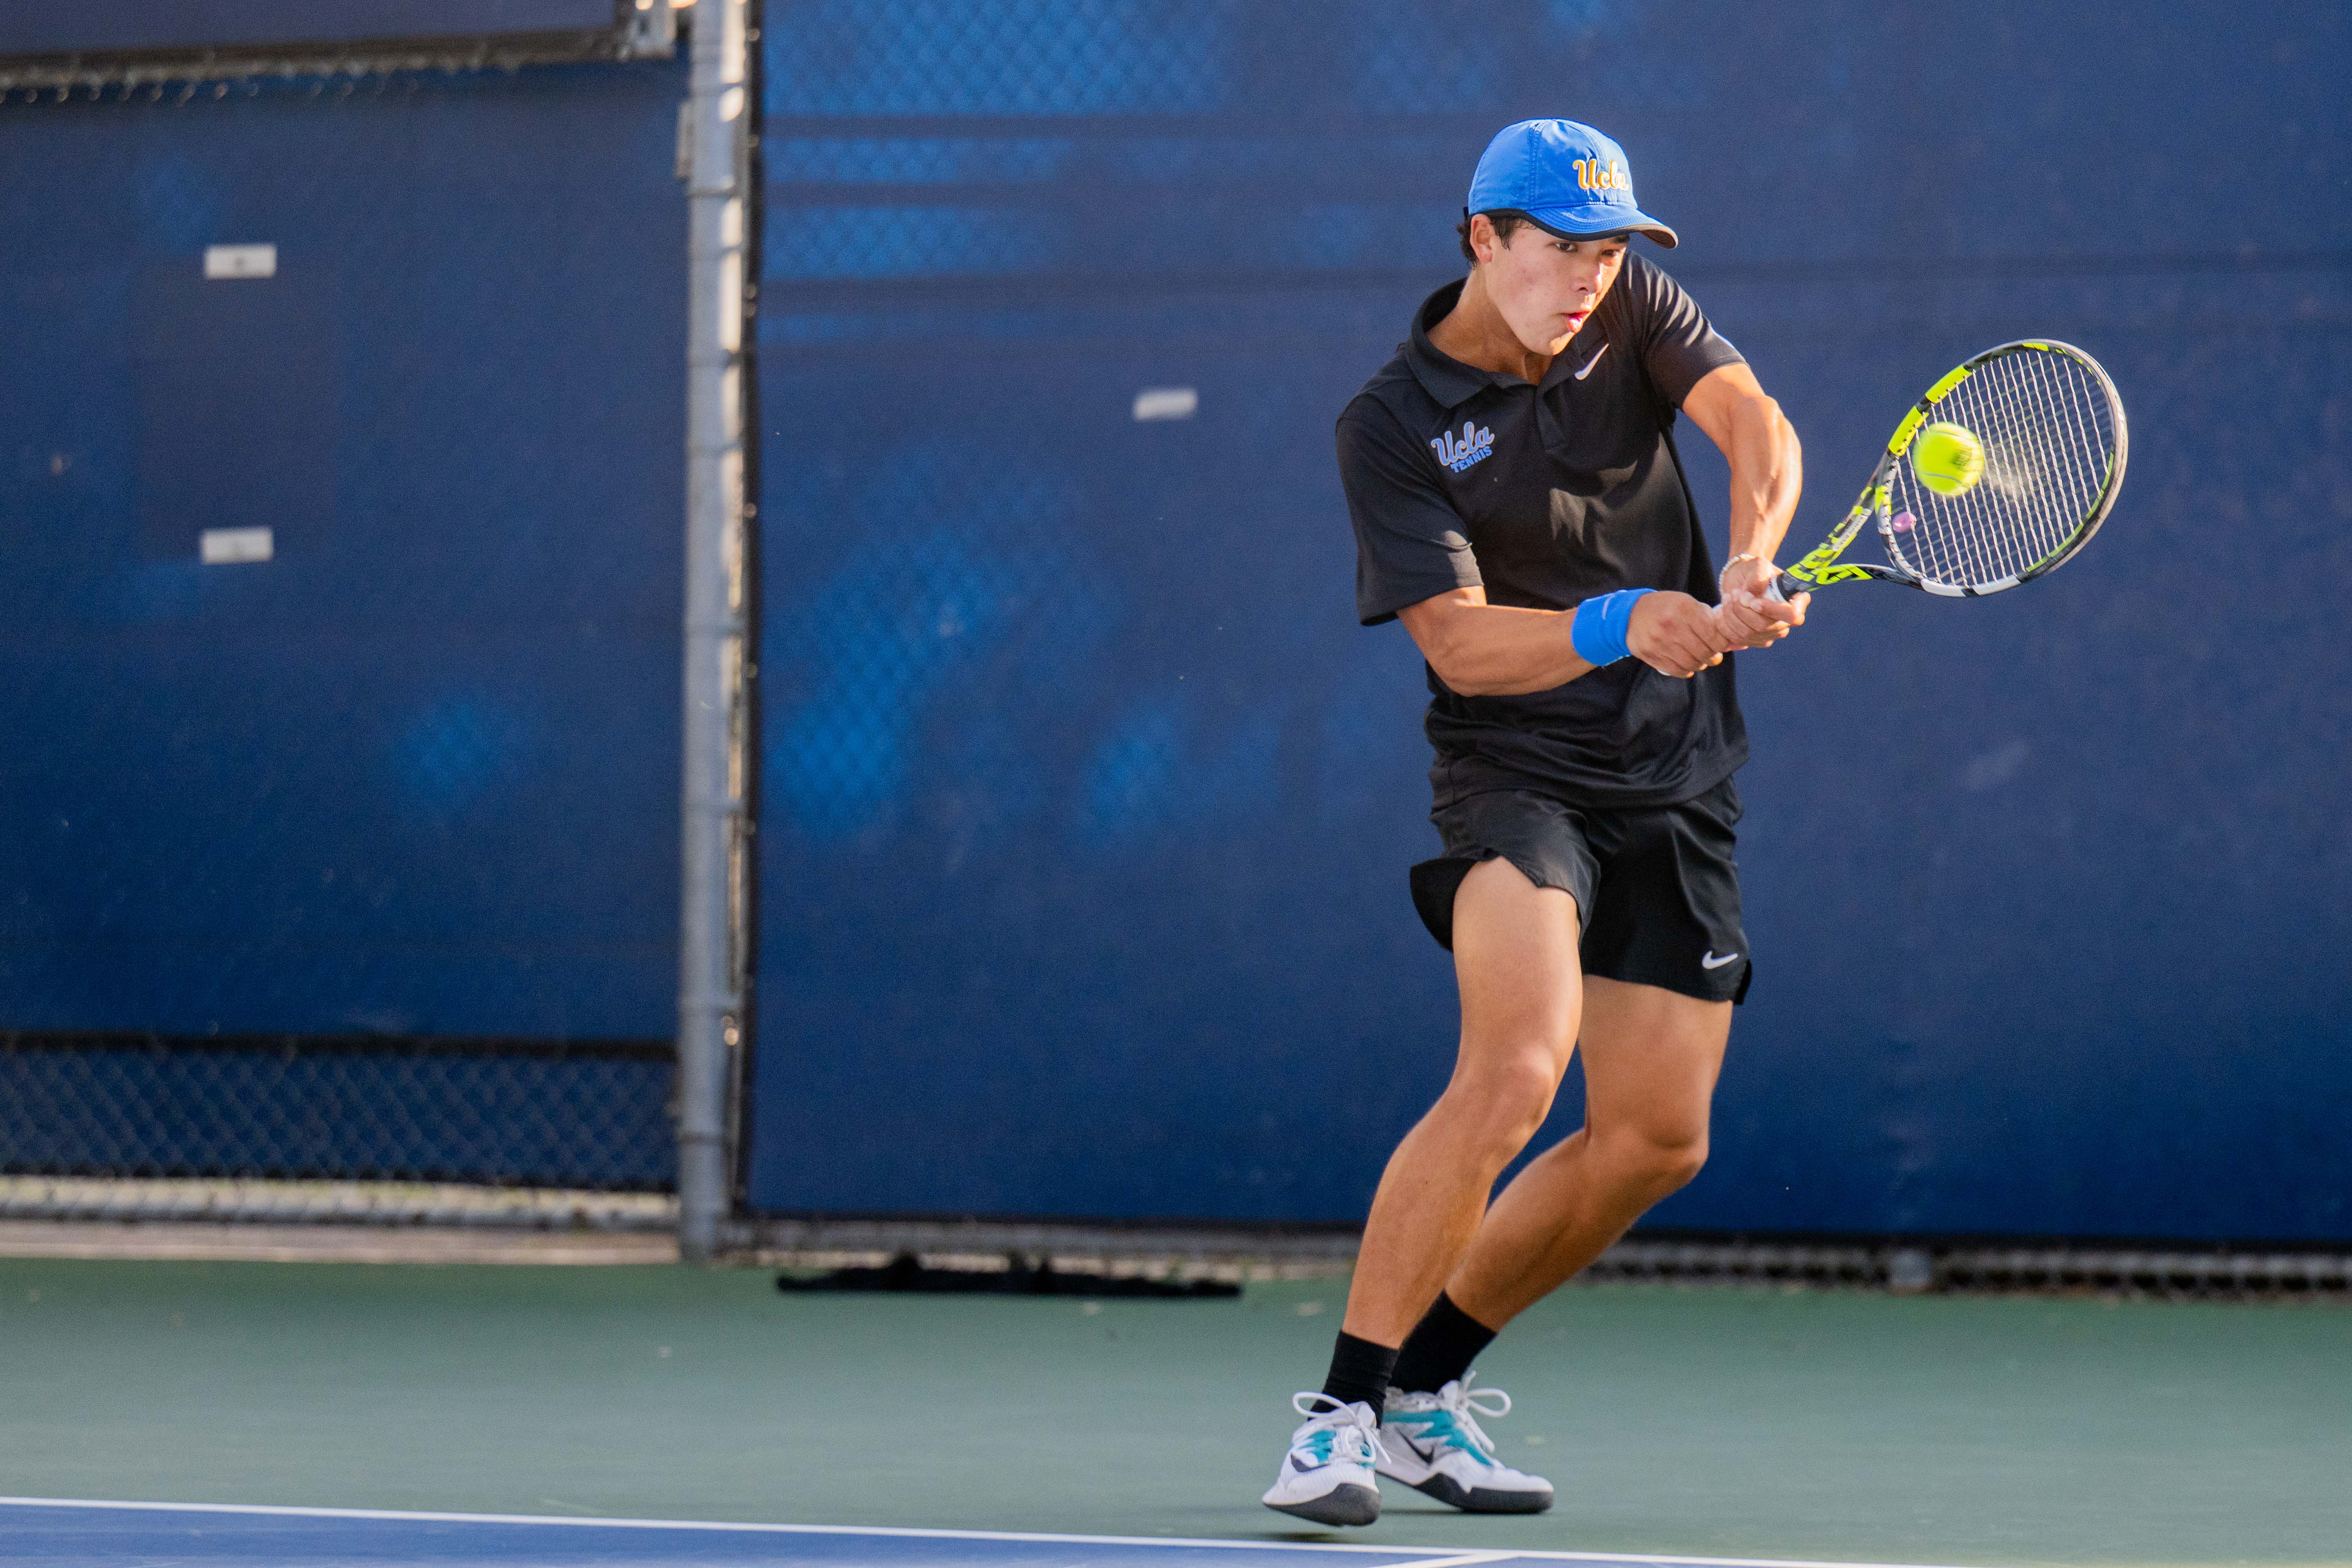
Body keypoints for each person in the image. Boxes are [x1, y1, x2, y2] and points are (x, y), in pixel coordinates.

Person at [1260, 118, 1807, 1527]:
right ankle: (1337, 1417)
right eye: (1558, 249)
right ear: (1480, 239)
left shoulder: (1628, 307)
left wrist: (1748, 558)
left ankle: (1424, 1394)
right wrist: (1626, 620)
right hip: (1517, 775)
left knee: (1655, 1139)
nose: (1585, 278)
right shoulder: (1389, 423)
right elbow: (1457, 645)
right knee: (1515, 1065)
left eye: (1607, 251)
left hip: (1676, 773)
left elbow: (1754, 423)